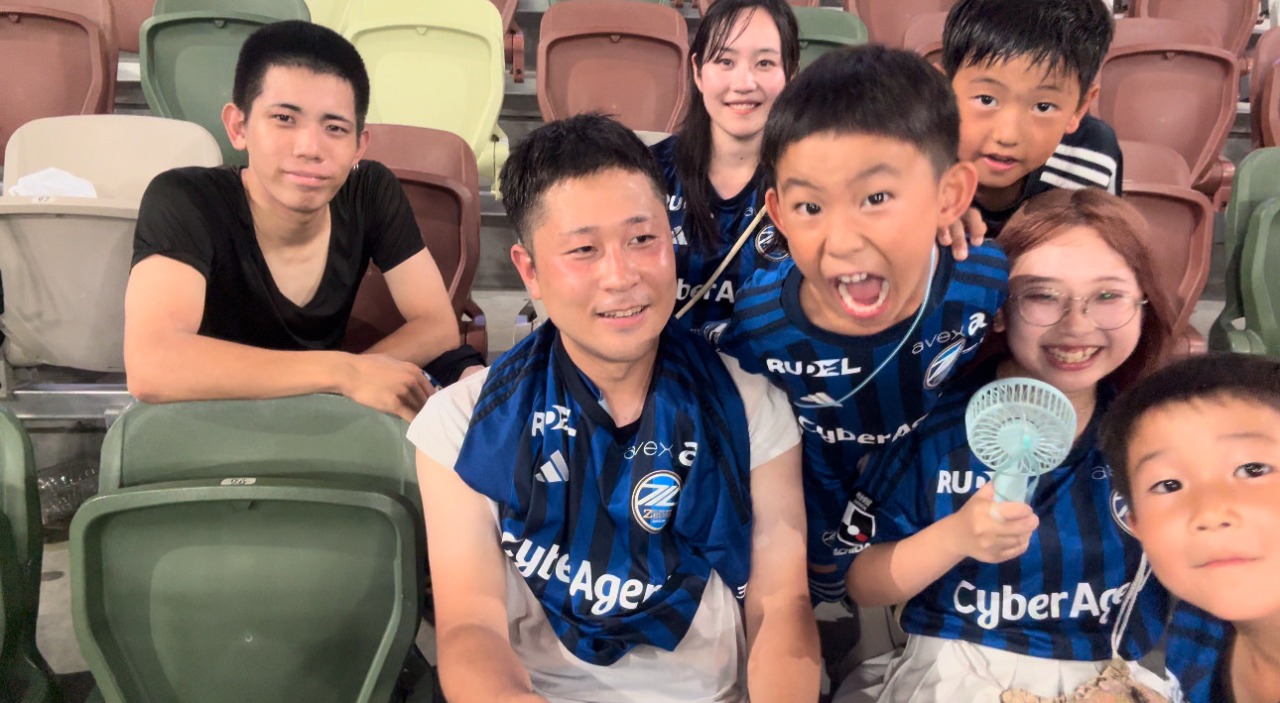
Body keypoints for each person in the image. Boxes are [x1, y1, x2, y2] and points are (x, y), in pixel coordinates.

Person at [409, 114, 819, 703]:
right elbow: (470, 628)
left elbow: (782, 605)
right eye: (583, 250)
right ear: (529, 271)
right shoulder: (461, 424)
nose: (621, 276)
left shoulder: (750, 404)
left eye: (642, 239)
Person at [836, 188, 1174, 702]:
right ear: (998, 308)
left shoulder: (1158, 435)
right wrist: (954, 537)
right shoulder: (931, 426)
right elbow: (860, 580)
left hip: (1108, 676)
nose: (1076, 324)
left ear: (1143, 305)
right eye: (1042, 295)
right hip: (955, 674)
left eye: (1108, 296)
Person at [712, 45, 1009, 603]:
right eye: (810, 207)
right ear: (778, 214)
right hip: (813, 494)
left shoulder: (983, 280)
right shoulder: (761, 320)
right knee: (826, 598)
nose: (844, 240)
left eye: (875, 198)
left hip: (921, 490)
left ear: (950, 196)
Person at [124, 20, 480, 422]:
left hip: (325, 424)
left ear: (359, 145)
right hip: (212, 419)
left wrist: (348, 382)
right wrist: (343, 375)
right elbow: (152, 365)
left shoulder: (369, 191)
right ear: (238, 126)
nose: (310, 148)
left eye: (335, 128)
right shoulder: (185, 199)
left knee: (469, 379)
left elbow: (437, 325)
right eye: (284, 118)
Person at [1101, 353, 1280, 703]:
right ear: (1137, 526)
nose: (1209, 512)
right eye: (1168, 485)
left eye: (1253, 469)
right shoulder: (1197, 630)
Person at [652, 0, 798, 329]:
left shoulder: (816, 181)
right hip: (663, 361)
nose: (744, 83)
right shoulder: (645, 174)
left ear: (791, 73)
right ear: (697, 71)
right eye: (725, 61)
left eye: (764, 62)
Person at [943, 0, 1122, 237]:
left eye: (1043, 107)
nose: (1007, 136)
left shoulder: (1093, 154)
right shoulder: (913, 153)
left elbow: (1105, 249)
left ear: (1079, 109)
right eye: (986, 100)